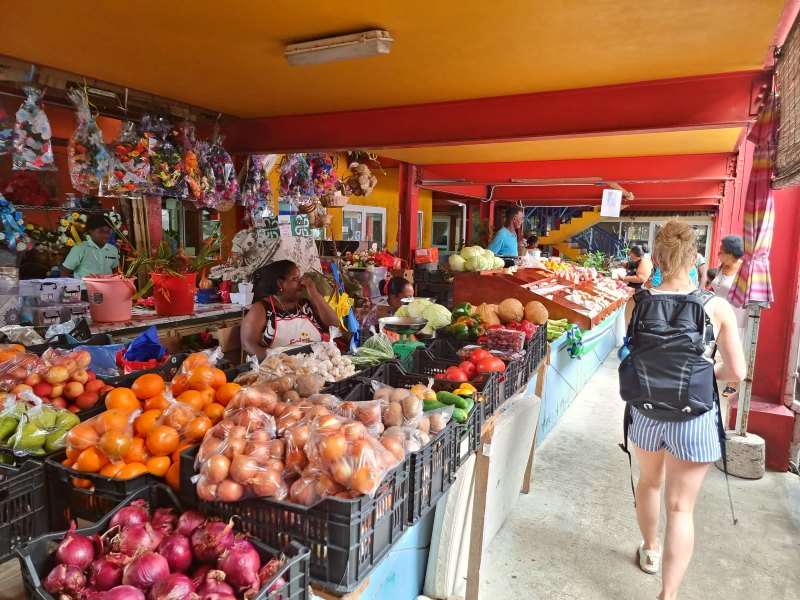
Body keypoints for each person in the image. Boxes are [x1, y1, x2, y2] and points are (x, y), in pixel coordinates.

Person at [623, 221, 745, 600]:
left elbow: (635, 353)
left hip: (646, 411)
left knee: (649, 482)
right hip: (694, 416)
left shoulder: (636, 303)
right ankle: (668, 594)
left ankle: (650, 550)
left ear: (657, 258)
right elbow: (737, 372)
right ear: (694, 258)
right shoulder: (716, 307)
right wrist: (705, 370)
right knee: (680, 508)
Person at [240, 260, 340, 359]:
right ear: (280, 283)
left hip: (316, 363)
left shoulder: (305, 305)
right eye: (295, 278)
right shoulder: (262, 308)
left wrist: (315, 295)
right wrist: (278, 362)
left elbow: (334, 324)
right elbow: (248, 344)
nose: (301, 282)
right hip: (280, 366)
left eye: (299, 277)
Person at [709, 235, 747, 396]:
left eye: (721, 252)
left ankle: (732, 382)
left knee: (734, 345)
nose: (718, 254)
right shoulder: (721, 267)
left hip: (736, 313)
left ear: (730, 254)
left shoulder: (744, 270)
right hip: (717, 311)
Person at [60, 214, 120, 286]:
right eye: (101, 232)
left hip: (107, 289)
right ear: (91, 231)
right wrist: (68, 289)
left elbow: (115, 271)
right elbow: (65, 271)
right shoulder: (79, 249)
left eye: (108, 232)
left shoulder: (113, 249)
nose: (105, 235)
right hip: (85, 290)